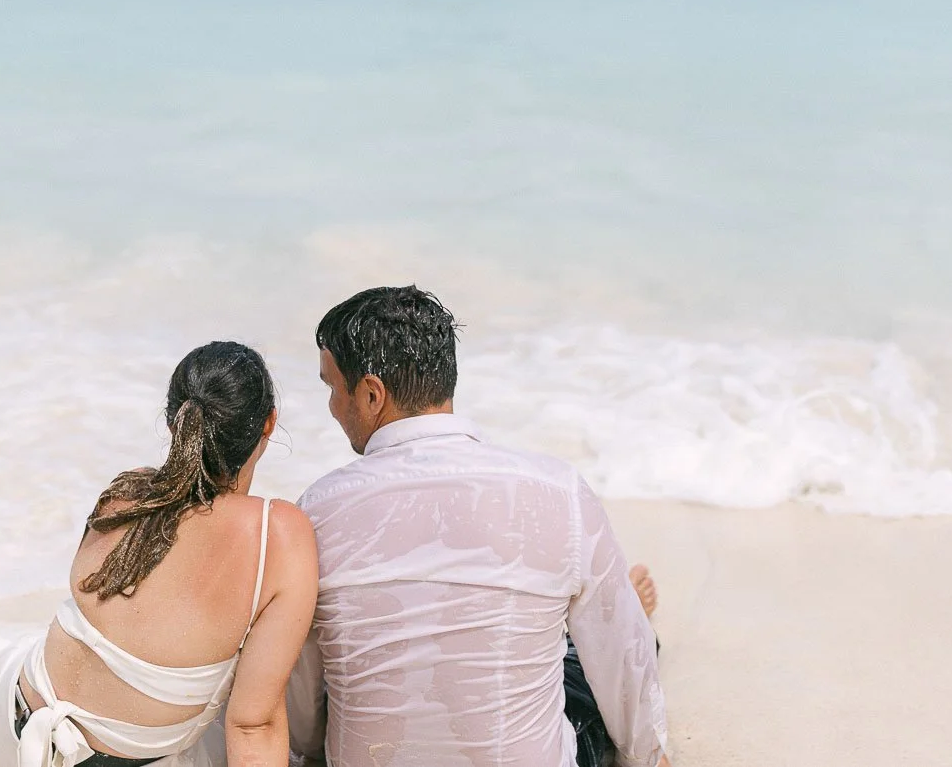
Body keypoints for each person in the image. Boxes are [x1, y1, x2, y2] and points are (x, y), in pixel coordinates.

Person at [287, 287, 671, 767]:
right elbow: (624, 663)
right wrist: (646, 757)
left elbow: (302, 712)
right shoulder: (556, 489)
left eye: (331, 387)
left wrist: (310, 750)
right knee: (589, 645)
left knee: (338, 662)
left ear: (371, 393)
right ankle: (619, 601)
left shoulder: (316, 510)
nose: (332, 405)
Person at [0, 341, 319, 767]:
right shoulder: (279, 534)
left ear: (172, 420)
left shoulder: (127, 494)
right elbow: (253, 727)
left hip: (14, 726)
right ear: (268, 424)